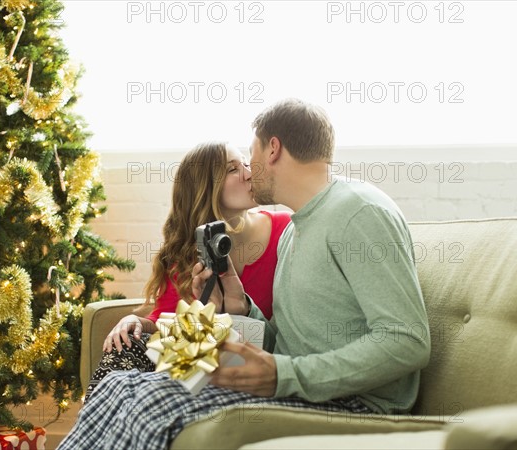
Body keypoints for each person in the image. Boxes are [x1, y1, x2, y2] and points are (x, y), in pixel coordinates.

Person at [58, 99, 430, 450]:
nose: (250, 171)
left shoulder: (357, 212)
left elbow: (406, 340)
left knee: (154, 398)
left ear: (273, 149)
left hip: (355, 406)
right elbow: (291, 343)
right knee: (121, 384)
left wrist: (282, 375)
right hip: (304, 391)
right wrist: (241, 305)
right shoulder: (297, 229)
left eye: (249, 156)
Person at [83, 141, 291, 401]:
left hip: (253, 364)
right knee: (127, 352)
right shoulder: (186, 251)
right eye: (232, 169)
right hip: (198, 362)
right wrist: (134, 321)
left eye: (246, 164)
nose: (249, 173)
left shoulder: (285, 231)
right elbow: (164, 323)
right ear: (205, 188)